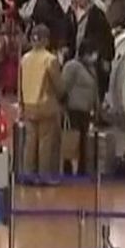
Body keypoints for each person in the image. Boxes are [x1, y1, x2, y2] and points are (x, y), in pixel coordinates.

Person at [18, 25, 64, 179]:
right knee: (45, 143)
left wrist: (21, 104)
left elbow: (19, 84)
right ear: (46, 40)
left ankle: (27, 174)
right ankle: (44, 176)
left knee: (30, 143)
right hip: (46, 106)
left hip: (28, 106)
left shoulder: (24, 59)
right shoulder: (50, 59)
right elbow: (58, 85)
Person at [59, 42, 103, 175]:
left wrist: (97, 109)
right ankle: (68, 169)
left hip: (86, 111)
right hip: (73, 110)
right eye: (93, 53)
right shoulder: (72, 66)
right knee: (72, 140)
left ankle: (82, 170)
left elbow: (94, 90)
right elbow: (63, 87)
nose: (95, 57)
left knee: (84, 143)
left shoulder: (91, 68)